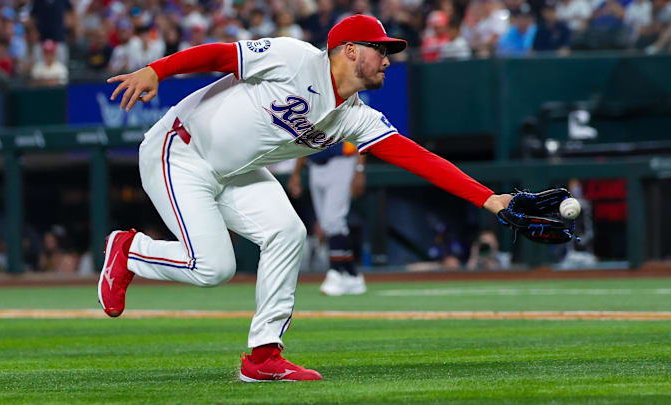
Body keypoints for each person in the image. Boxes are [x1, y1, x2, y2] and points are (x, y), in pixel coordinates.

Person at [100, 14, 512, 382]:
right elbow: (221, 55)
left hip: (236, 172)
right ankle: (130, 249)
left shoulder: (355, 115)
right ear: (350, 51)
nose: (388, 59)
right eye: (380, 49)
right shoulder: (296, 57)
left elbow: (416, 157)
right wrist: (158, 68)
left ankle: (263, 356)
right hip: (179, 152)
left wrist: (489, 199)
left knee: (288, 234)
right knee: (214, 268)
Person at [287, 142, 367, 296]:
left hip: (342, 160)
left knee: (333, 220)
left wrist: (359, 169)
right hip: (315, 164)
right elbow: (304, 139)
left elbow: (361, 136)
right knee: (328, 222)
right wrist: (296, 173)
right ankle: (352, 275)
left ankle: (336, 272)